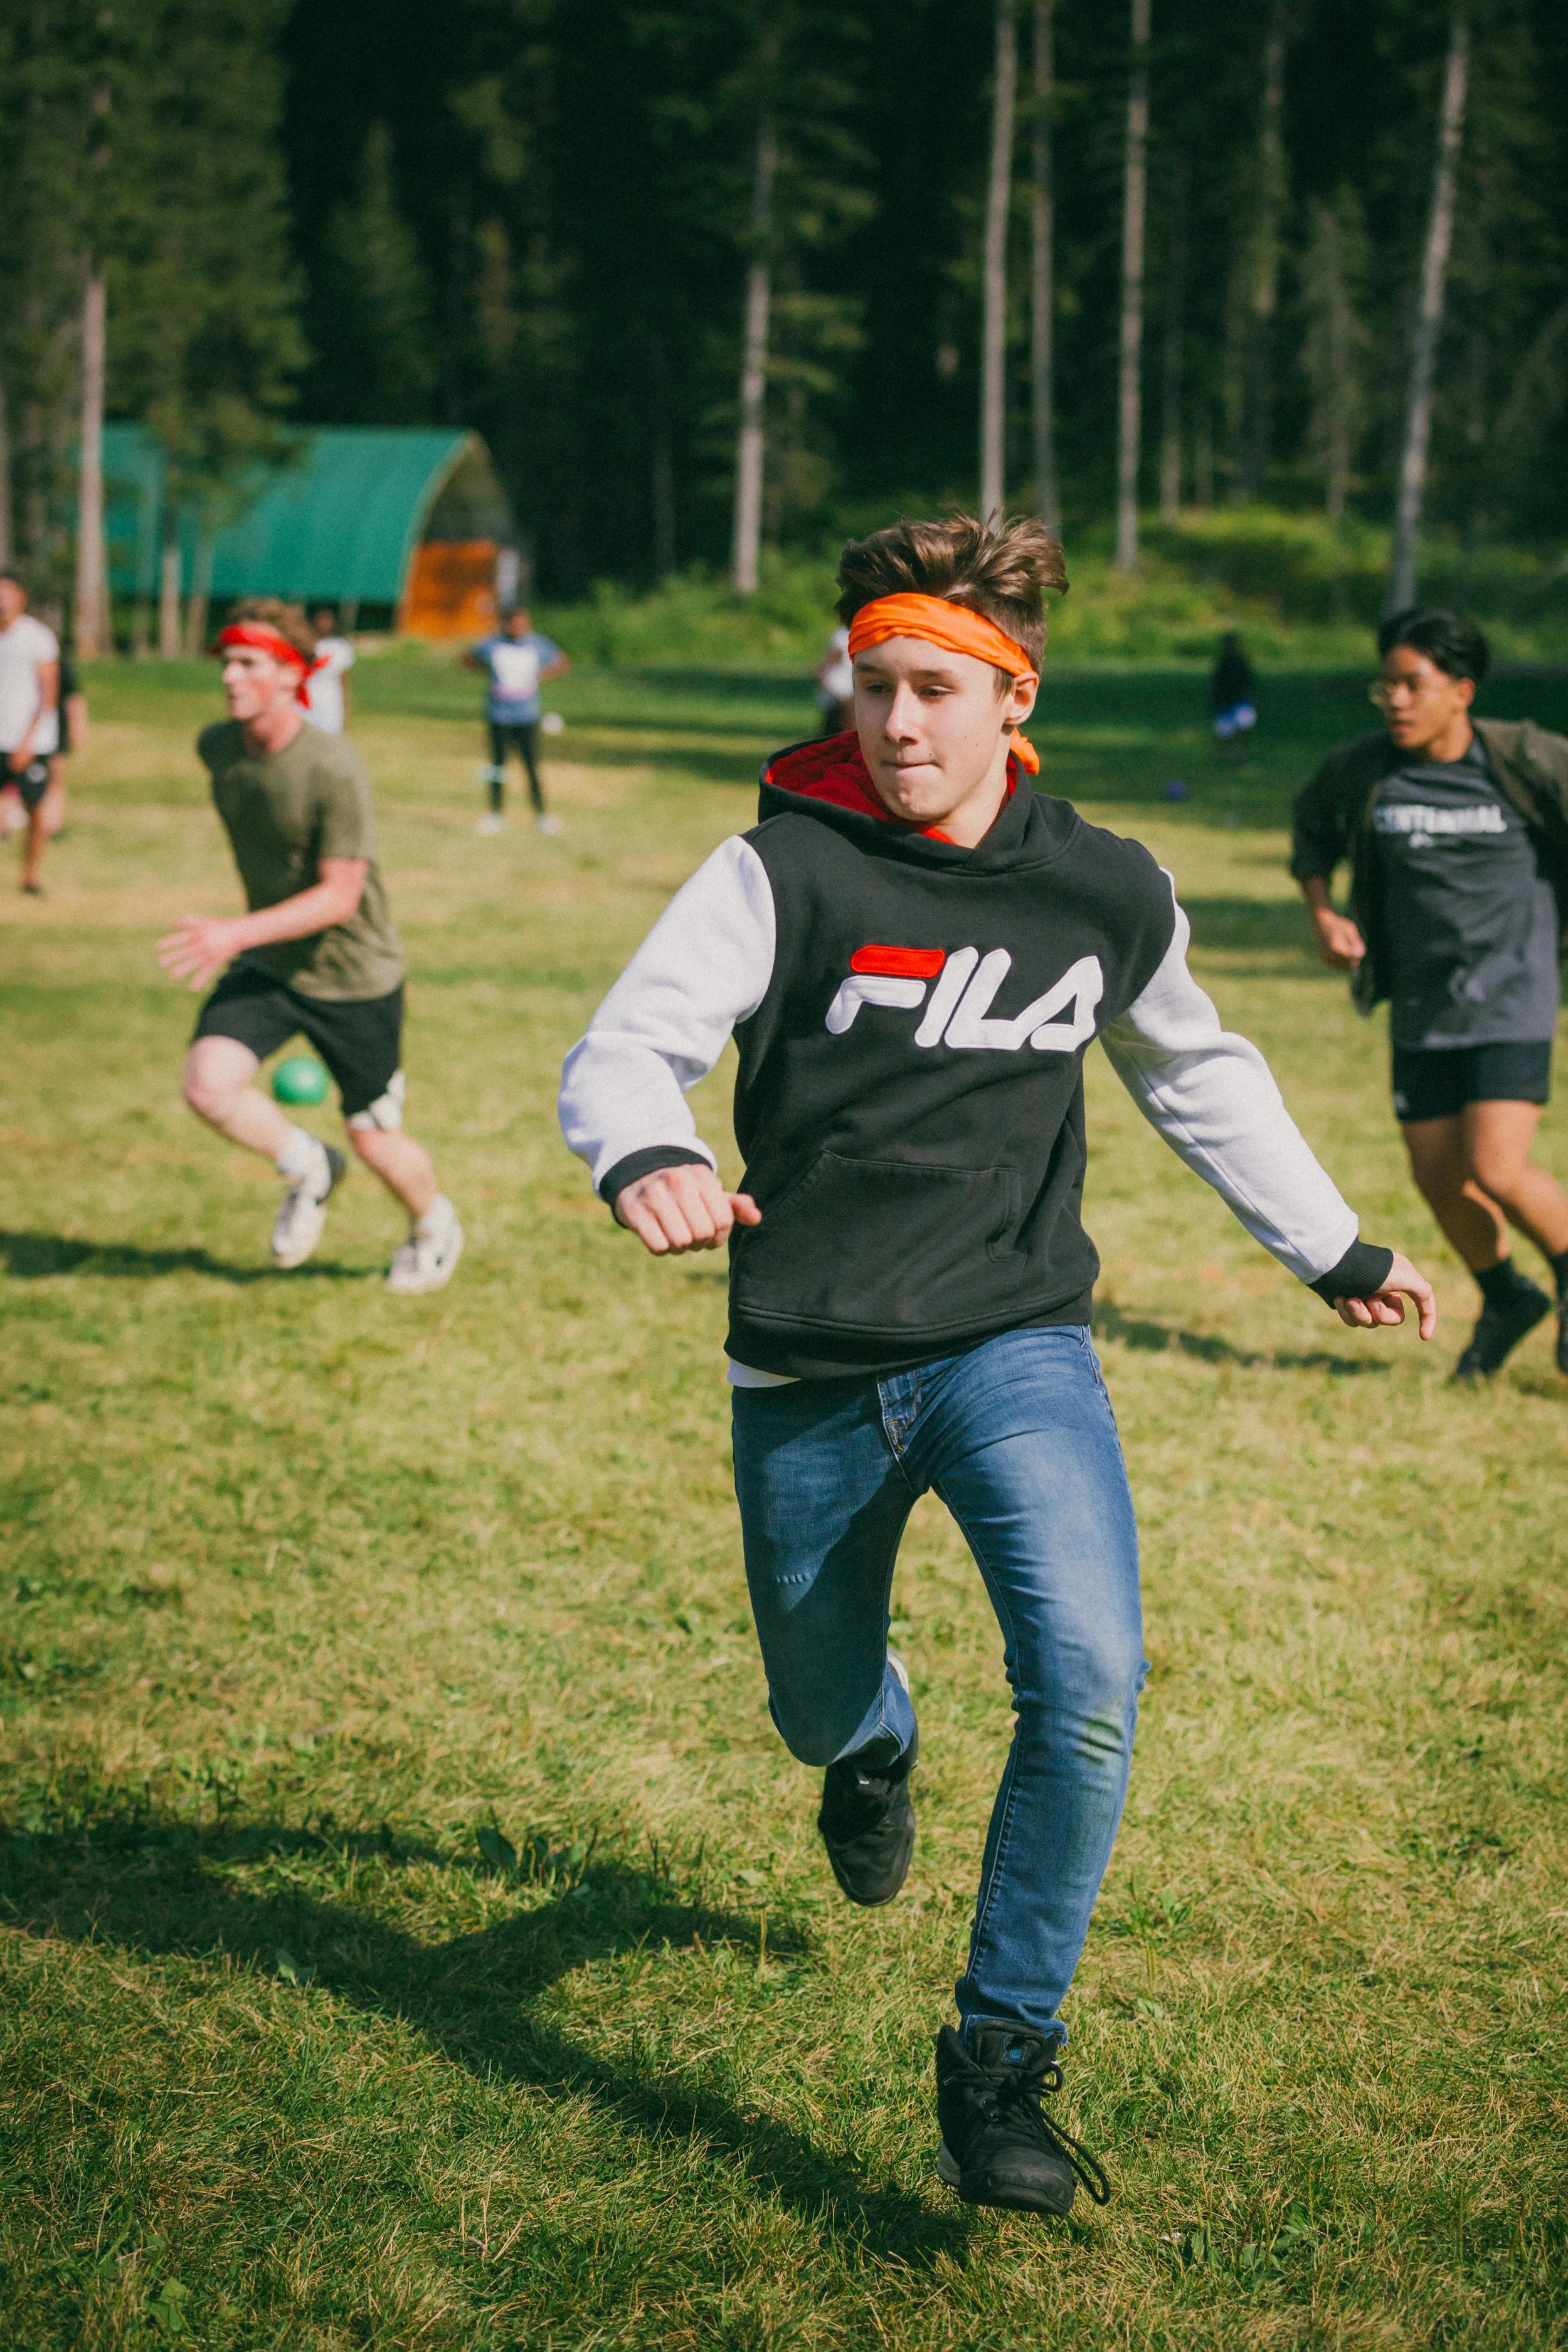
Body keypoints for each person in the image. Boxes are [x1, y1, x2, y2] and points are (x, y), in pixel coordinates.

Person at [560, 513, 1434, 2221]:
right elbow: (627, 1044)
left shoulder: (1102, 884)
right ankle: (869, 1744)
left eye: (935, 689)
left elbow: (1196, 1068)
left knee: (1088, 1674)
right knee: (815, 1698)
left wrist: (1331, 1243)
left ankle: (1000, 2057)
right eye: (873, 684)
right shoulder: (782, 869)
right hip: (809, 1358)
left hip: (1010, 1337)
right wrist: (645, 1150)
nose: (897, 722)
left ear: (1013, 696)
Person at [1293, 608, 1568, 1383]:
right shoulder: (1367, 768)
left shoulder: (1523, 761)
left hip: (1512, 994)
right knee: (1437, 1177)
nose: (1395, 700)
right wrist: (1323, 913)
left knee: (1496, 1167)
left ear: (1461, 691)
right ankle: (1506, 1296)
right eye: (1385, 686)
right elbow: (1312, 825)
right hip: (1422, 1004)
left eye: (1412, 685)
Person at [159, 595, 464, 1293]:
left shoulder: (334, 768)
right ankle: (309, 1165)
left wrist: (232, 932)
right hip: (273, 962)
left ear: (292, 674)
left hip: (353, 978)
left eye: (249, 664)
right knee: (207, 1084)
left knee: (374, 1138)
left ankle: (433, 1224)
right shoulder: (218, 749)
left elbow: (339, 897)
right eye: (227, 662)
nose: (229, 676)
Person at [464, 603, 569, 836]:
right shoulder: (492, 645)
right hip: (499, 716)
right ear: (506, 623)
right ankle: (495, 814)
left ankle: (541, 815)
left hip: (527, 716)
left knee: (531, 767)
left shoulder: (537, 644)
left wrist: (540, 675)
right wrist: (486, 672)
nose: (518, 626)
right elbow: (468, 659)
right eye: (513, 622)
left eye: (522, 621)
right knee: (497, 767)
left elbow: (561, 662)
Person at [0, 567, 60, 896]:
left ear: (21, 597)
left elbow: (47, 695)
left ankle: (31, 877)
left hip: (28, 742)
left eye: (8, 593)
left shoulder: (37, 637)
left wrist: (28, 741)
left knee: (35, 810)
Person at [304, 606, 356, 734]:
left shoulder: (340, 647)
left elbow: (344, 681)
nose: (324, 623)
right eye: (321, 618)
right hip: (308, 702)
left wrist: (345, 711)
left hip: (330, 702)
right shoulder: (307, 644)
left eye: (328, 619)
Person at [1210, 630, 1257, 753]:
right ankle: (1233, 752)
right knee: (1226, 733)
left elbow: (1249, 683)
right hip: (1227, 703)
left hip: (1238, 701)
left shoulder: (1239, 663)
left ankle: (1239, 751)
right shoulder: (1224, 664)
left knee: (1242, 726)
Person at [815, 622, 854, 735]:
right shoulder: (843, 635)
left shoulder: (849, 634)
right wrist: (822, 671)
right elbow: (835, 655)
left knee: (838, 718)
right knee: (843, 717)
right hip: (838, 685)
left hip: (844, 684)